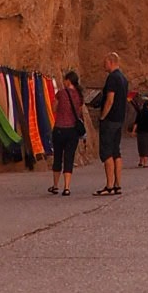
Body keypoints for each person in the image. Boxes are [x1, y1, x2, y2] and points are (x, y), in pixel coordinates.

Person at [48, 69, 86, 197]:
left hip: (59, 129)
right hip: (72, 131)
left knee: (58, 157)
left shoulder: (61, 93)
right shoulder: (79, 96)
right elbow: (79, 113)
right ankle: (67, 187)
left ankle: (55, 186)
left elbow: (54, 108)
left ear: (68, 81)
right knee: (69, 158)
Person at [94, 50, 127, 195]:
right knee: (116, 152)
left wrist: (102, 116)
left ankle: (109, 186)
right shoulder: (123, 79)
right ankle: (117, 184)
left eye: (105, 62)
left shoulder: (112, 78)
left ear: (111, 62)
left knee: (107, 153)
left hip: (110, 120)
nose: (103, 65)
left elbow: (110, 99)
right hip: (119, 119)